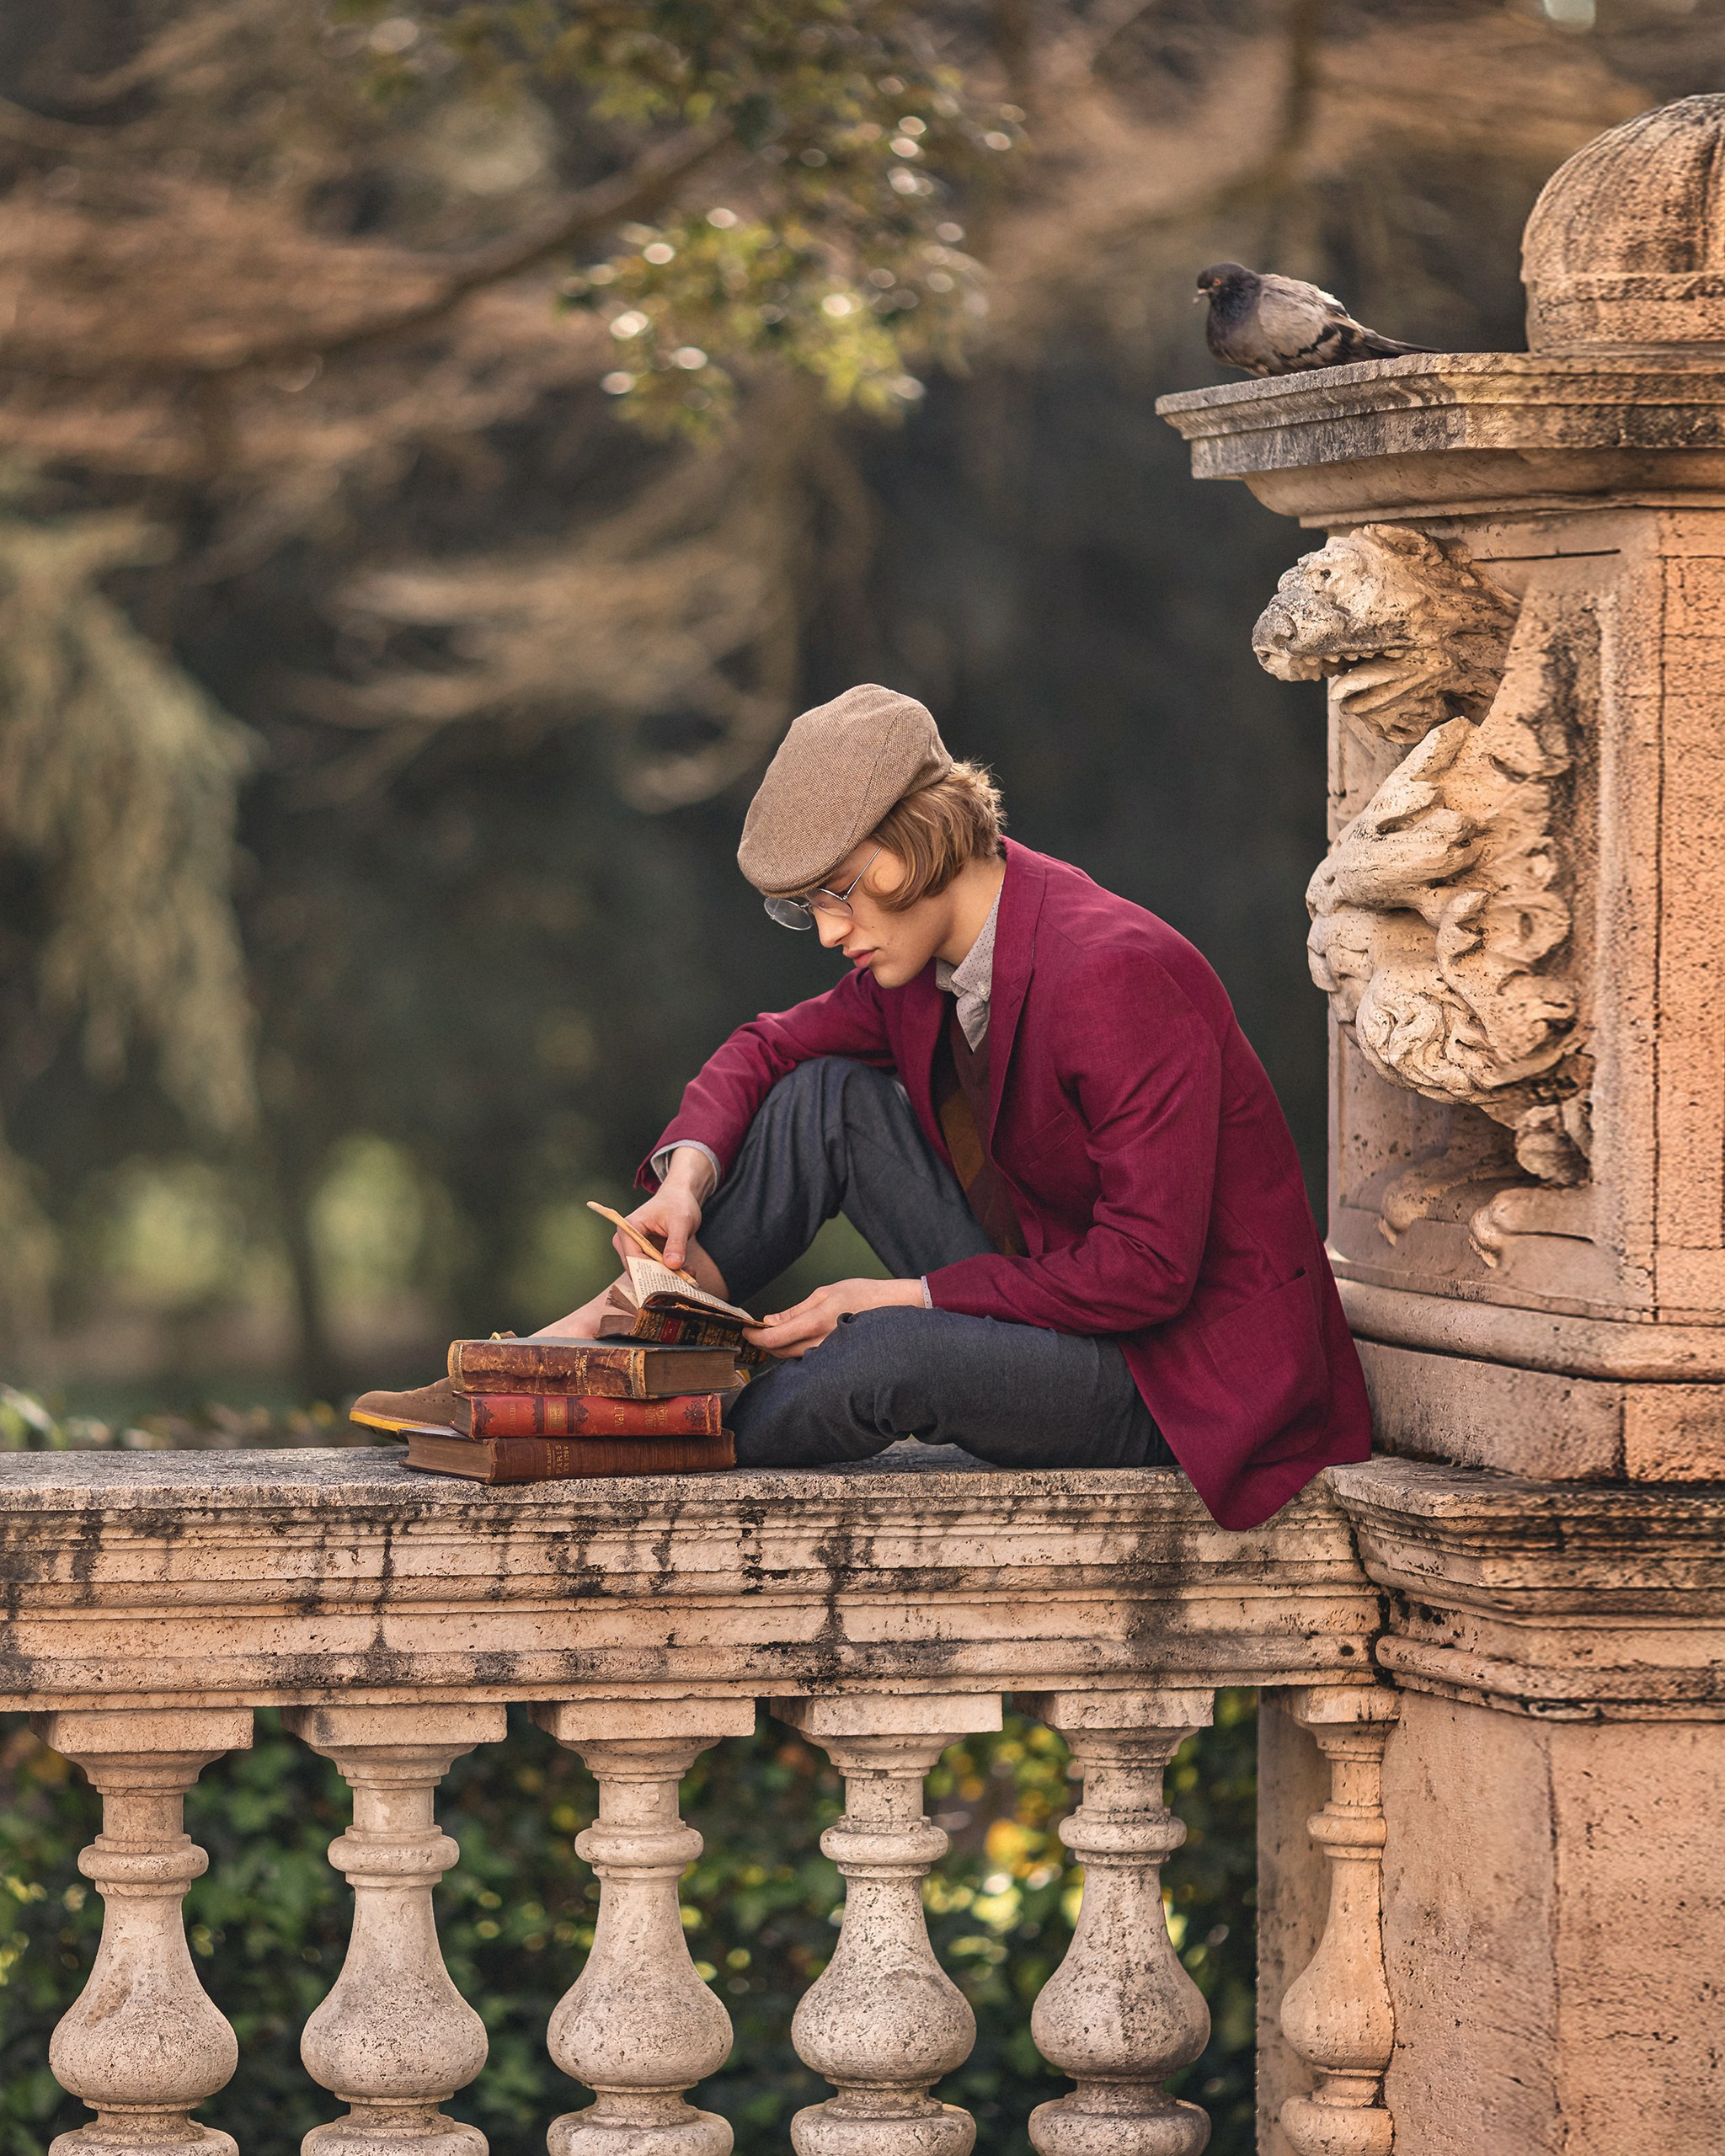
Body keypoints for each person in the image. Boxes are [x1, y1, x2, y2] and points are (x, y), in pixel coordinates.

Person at [552, 683, 1370, 1529]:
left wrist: (904, 1297)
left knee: (885, 1353)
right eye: (809, 908)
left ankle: (618, 1428)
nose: (830, 933)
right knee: (824, 1099)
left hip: (1176, 1377)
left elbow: (1144, 1273)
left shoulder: (1111, 973)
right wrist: (684, 1181)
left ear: (914, 843)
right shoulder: (915, 965)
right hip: (1055, 1289)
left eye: (835, 891)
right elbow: (768, 1045)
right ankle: (623, 1335)